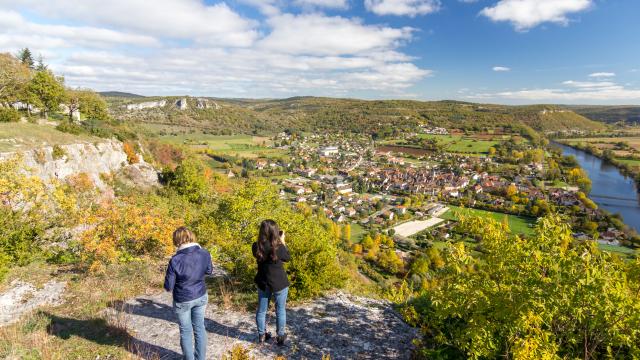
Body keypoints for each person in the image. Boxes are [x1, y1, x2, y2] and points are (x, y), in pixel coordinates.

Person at [164, 227, 212, 360]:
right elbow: (209, 271)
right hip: (201, 295)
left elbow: (169, 286)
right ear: (191, 236)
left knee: (186, 331)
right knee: (199, 328)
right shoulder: (204, 253)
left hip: (183, 299)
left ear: (177, 240)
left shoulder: (175, 259)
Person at [252, 219, 291, 346]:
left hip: (263, 282)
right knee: (280, 310)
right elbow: (287, 258)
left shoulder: (256, 246)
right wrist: (282, 241)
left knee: (262, 310)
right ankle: (280, 337)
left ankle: (262, 335)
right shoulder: (278, 248)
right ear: (275, 232)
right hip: (279, 283)